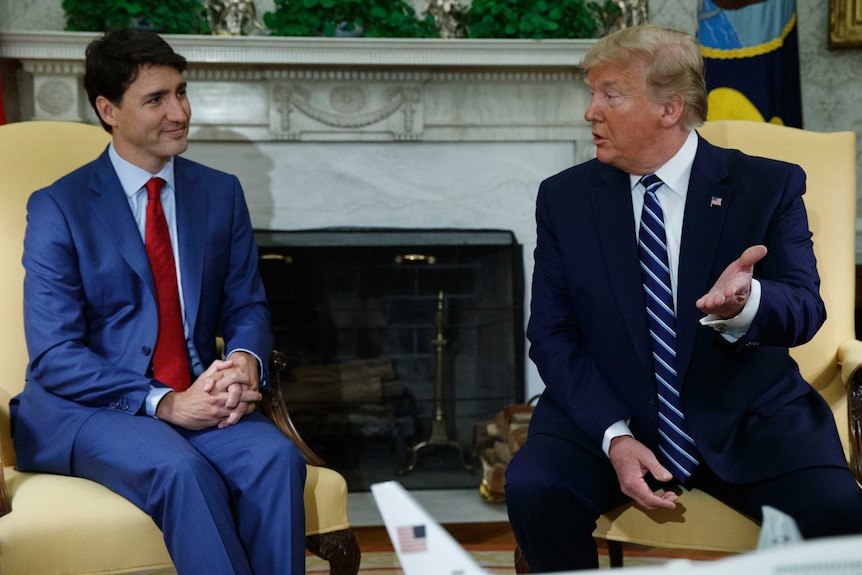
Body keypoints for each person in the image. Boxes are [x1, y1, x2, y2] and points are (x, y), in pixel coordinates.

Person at [505, 24, 862, 572]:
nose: (590, 112)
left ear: (670, 109)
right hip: (608, 414)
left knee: (840, 512)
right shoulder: (565, 198)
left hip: (747, 415)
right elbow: (552, 336)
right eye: (591, 92)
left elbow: (804, 308)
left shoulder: (767, 185)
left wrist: (746, 305)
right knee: (534, 488)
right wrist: (615, 438)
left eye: (610, 95)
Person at [13, 29, 306, 575]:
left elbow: (246, 305)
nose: (179, 112)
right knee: (182, 471)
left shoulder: (220, 193)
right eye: (156, 99)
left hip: (199, 391)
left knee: (276, 458)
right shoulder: (59, 206)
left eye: (181, 91)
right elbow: (55, 355)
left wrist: (245, 361)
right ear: (108, 110)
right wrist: (166, 402)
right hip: (89, 410)